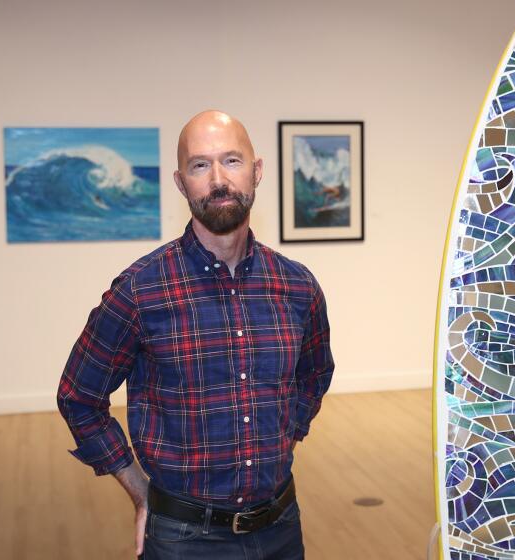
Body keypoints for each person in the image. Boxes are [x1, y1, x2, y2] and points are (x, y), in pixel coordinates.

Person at [57, 110, 334, 559]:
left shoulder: (297, 286)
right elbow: (79, 397)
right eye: (200, 165)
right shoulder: (141, 291)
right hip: (184, 540)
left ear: (257, 171)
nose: (219, 179)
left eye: (232, 160)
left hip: (282, 527)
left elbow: (315, 374)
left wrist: (286, 434)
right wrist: (139, 490)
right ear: (180, 182)